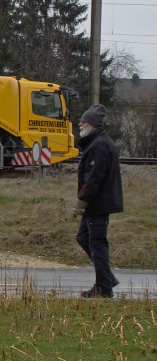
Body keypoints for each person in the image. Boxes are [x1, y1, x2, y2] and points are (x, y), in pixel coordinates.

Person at [74, 103, 124, 298]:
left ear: (92, 124)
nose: (80, 124)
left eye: (83, 121)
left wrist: (82, 200)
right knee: (83, 238)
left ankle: (104, 288)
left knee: (97, 244)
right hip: (95, 204)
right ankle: (107, 279)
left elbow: (94, 178)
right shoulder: (99, 142)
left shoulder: (99, 145)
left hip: (97, 204)